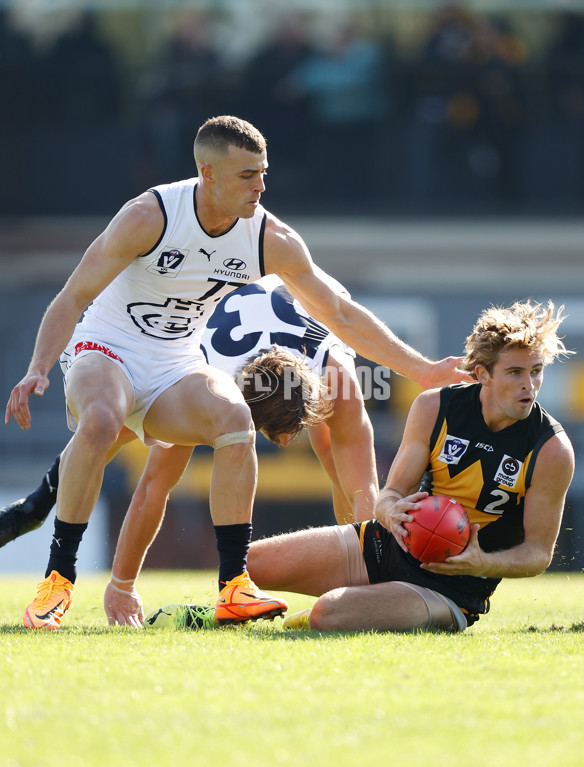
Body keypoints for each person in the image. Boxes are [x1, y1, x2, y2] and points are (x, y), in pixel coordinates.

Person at [4, 115, 464, 631]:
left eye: (264, 173)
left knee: (234, 419)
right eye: (247, 175)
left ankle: (233, 587)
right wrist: (37, 368)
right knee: (103, 421)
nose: (261, 186)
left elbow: (340, 312)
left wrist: (422, 369)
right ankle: (57, 581)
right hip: (105, 346)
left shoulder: (270, 237)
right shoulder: (149, 216)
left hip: (177, 361)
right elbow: (74, 295)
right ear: (208, 174)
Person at [144, 300, 574, 632]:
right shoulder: (433, 406)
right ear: (482, 373)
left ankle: (308, 615)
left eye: (536, 371)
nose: (529, 385)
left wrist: (482, 564)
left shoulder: (551, 449)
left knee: (331, 614)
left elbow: (538, 554)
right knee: (245, 565)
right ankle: (228, 615)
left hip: (449, 588)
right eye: (516, 372)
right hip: (384, 543)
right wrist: (389, 511)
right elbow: (392, 493)